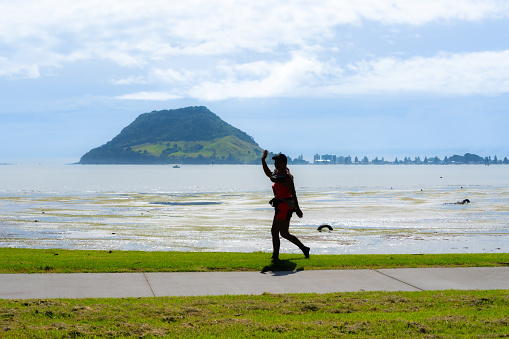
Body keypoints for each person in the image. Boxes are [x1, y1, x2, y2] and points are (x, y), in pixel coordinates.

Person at [262, 150, 310, 260]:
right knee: (284, 233)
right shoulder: (277, 173)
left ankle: (275, 256)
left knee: (274, 231)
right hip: (281, 205)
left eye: (279, 162)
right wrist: (263, 160)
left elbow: (293, 193)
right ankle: (304, 248)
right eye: (275, 162)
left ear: (285, 163)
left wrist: (297, 208)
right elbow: (268, 174)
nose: (276, 164)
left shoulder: (287, 176)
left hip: (285, 206)